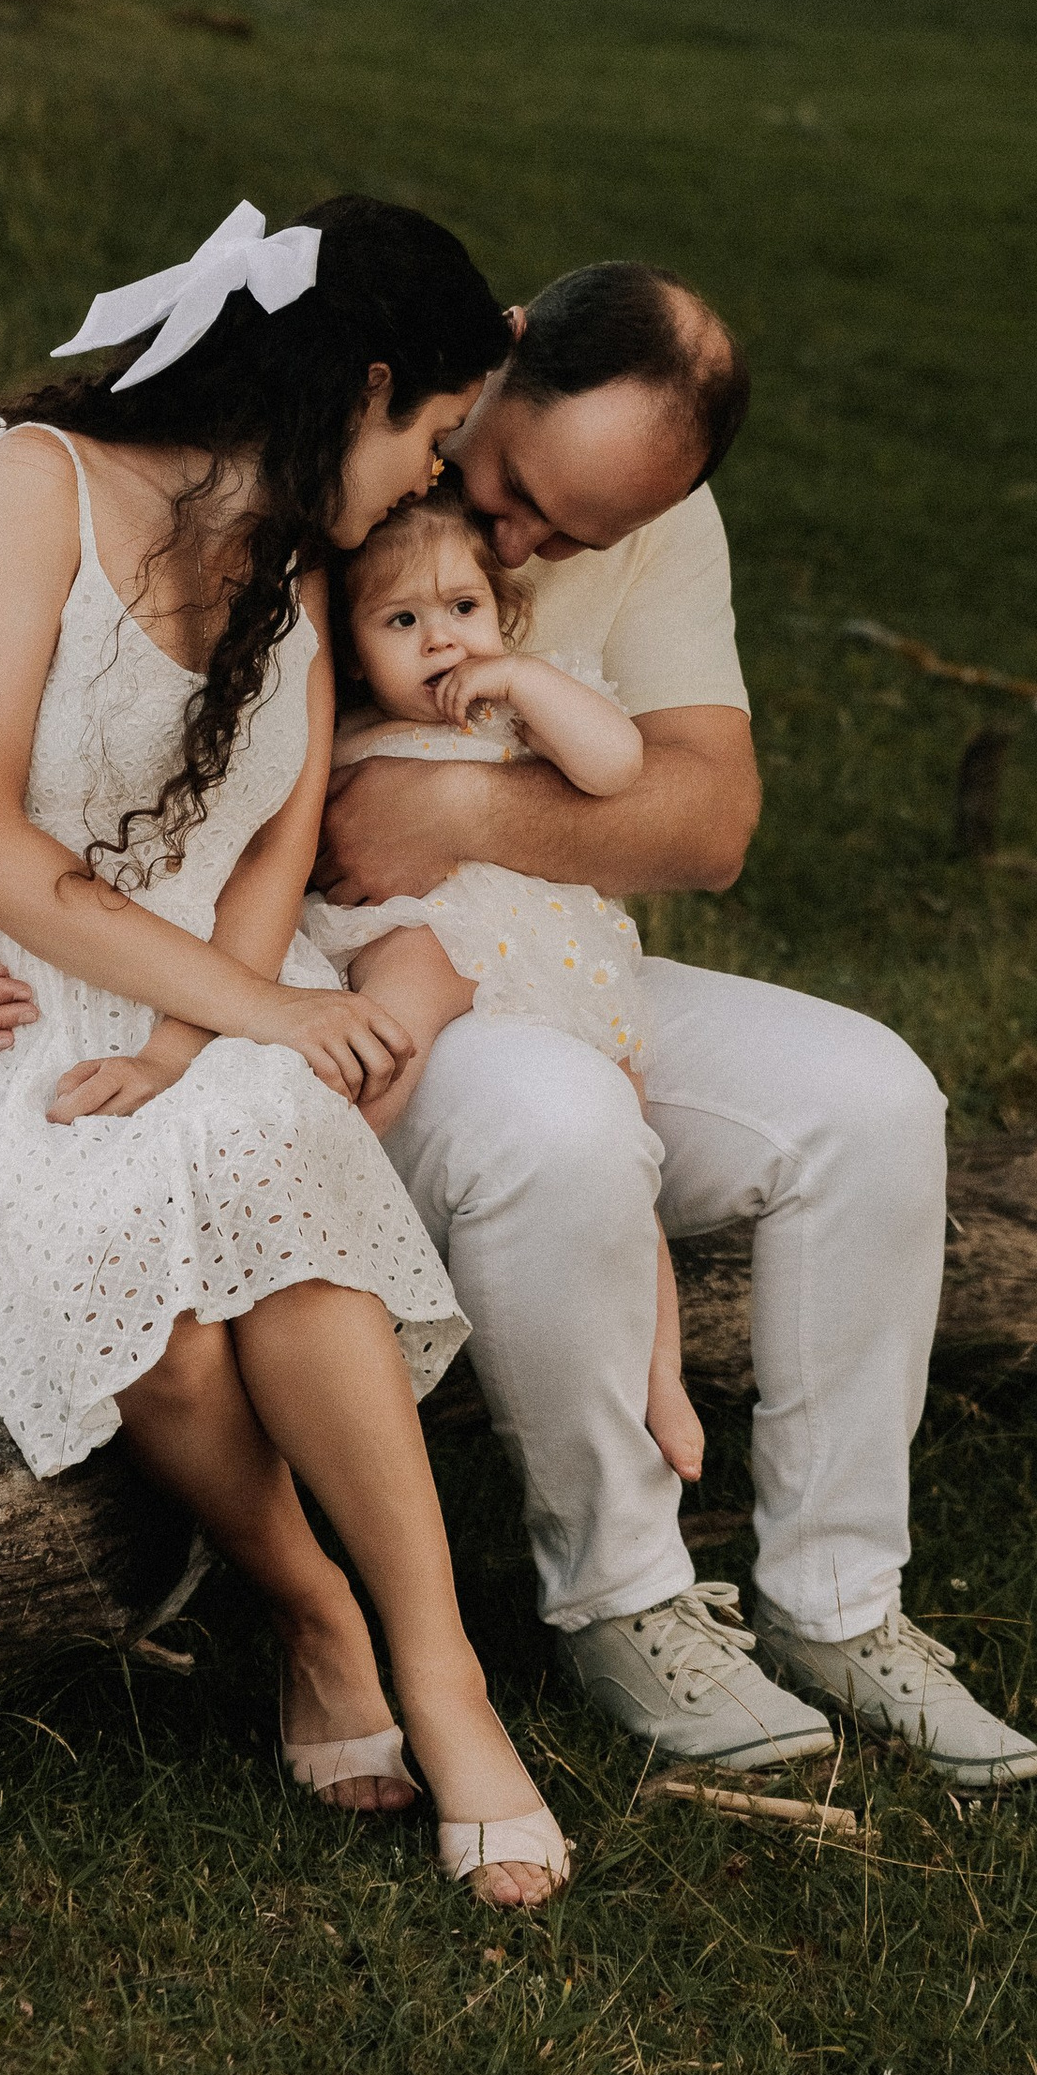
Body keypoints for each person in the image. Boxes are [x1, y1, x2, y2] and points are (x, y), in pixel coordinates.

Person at [0, 255, 1037, 1789]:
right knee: (556, 1119)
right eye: (514, 485)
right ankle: (625, 1597)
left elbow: (713, 822)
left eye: (575, 534)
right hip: (331, 984)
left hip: (546, 956)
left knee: (873, 1099)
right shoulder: (347, 450)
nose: (520, 539)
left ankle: (841, 1599)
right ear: (497, 369)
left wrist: (456, 809)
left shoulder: (638, 513)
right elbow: (54, 705)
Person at [0, 192, 568, 1905]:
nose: (428, 481)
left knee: (262, 1154)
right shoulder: (29, 490)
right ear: (364, 381)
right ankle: (310, 1609)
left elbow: (267, 846)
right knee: (148, 1301)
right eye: (434, 435)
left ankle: (443, 1675)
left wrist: (196, 1037)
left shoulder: (297, 558)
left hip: (193, 995)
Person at [301, 486, 705, 1487]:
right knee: (380, 1037)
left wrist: (522, 679)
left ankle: (664, 1384)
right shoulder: (338, 725)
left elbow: (616, 767)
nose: (443, 640)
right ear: (354, 650)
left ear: (505, 615)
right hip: (420, 931)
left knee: (626, 1170)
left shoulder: (528, 705)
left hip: (549, 955)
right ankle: (333, 1220)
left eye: (464, 611)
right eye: (402, 621)